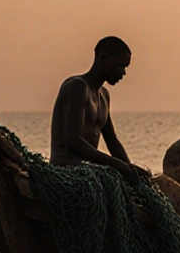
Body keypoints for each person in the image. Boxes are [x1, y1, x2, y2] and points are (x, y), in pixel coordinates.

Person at [50, 36, 146, 180]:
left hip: (89, 170)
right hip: (66, 168)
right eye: (121, 65)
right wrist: (116, 164)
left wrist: (130, 168)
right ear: (103, 58)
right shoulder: (78, 86)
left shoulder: (104, 96)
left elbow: (112, 141)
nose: (123, 73)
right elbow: (73, 140)